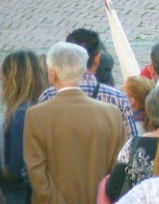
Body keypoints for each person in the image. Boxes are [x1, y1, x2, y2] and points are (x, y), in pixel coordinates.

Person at [23, 42, 126, 204]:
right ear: (82, 70)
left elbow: (37, 174)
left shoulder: (36, 115)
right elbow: (119, 168)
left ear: (52, 73)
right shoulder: (112, 113)